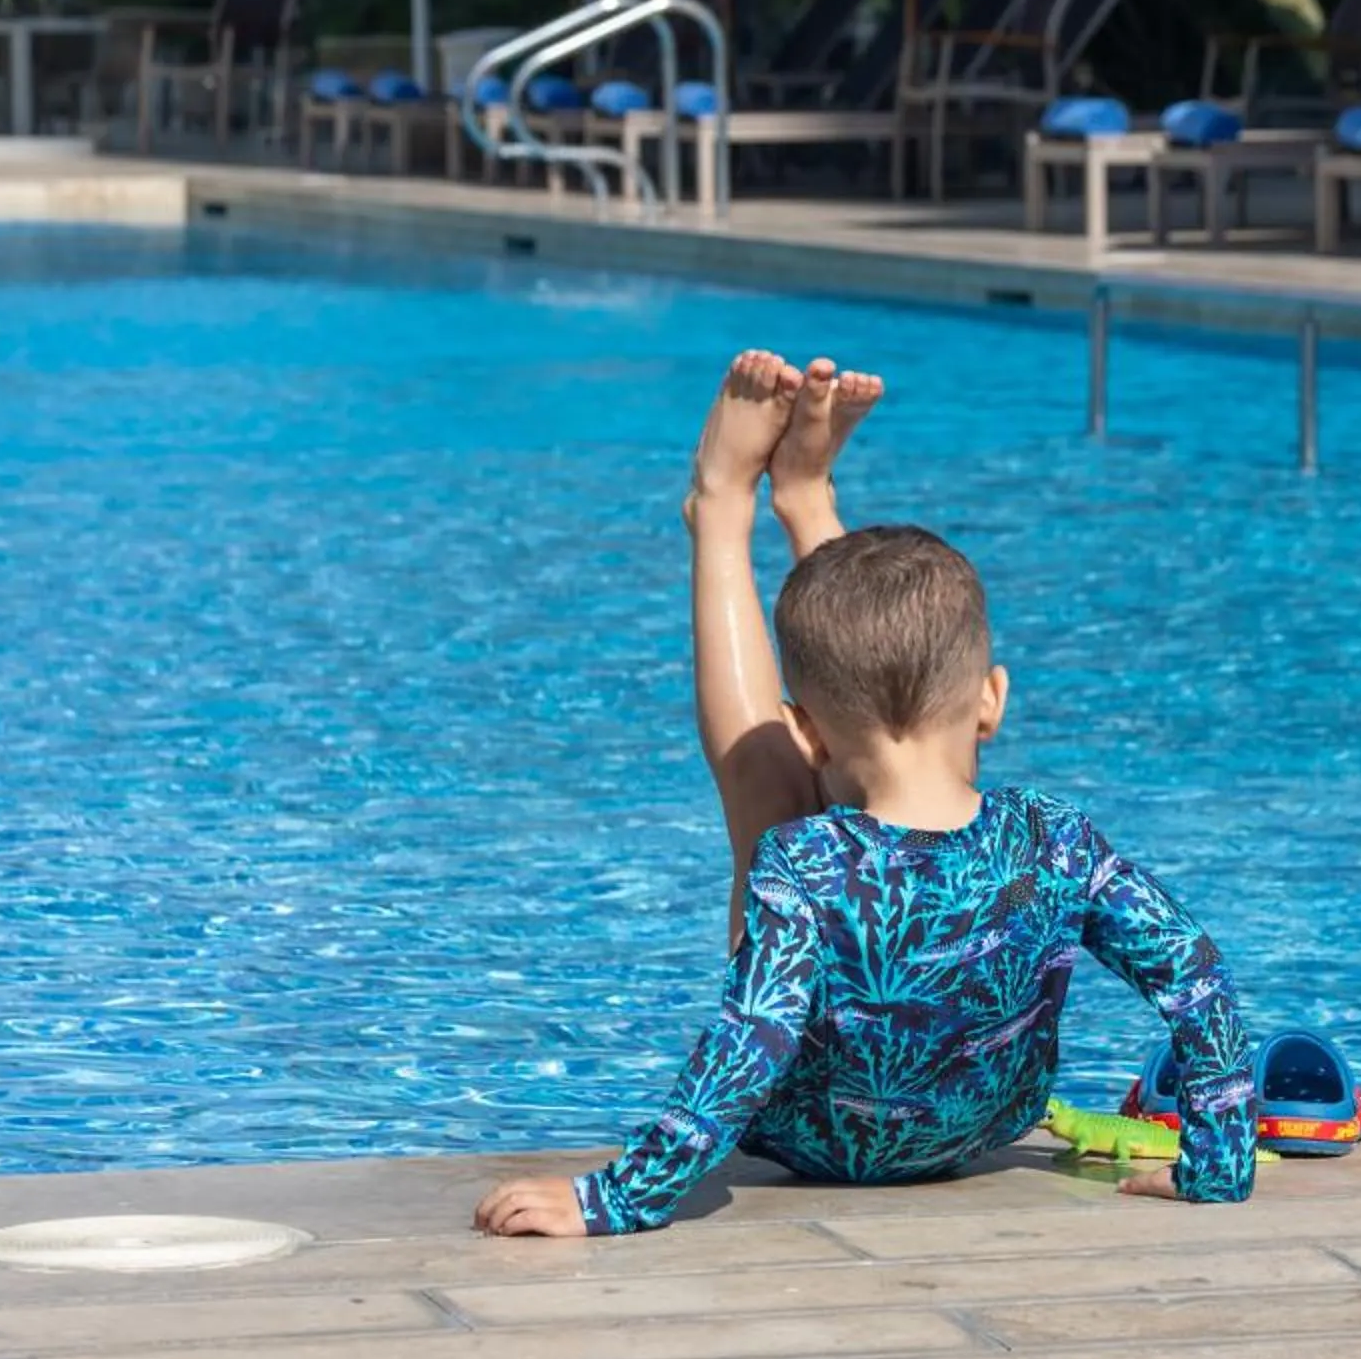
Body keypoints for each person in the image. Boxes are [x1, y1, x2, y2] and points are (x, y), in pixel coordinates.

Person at [473, 353, 1258, 1239]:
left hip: (821, 1146)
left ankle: (723, 507)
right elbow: (1196, 974)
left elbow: (752, 1044)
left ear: (802, 729)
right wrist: (1217, 1162)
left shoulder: (799, 862)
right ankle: (808, 498)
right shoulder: (1059, 841)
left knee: (764, 787)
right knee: (888, 665)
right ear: (993, 698)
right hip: (983, 1129)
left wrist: (617, 1196)